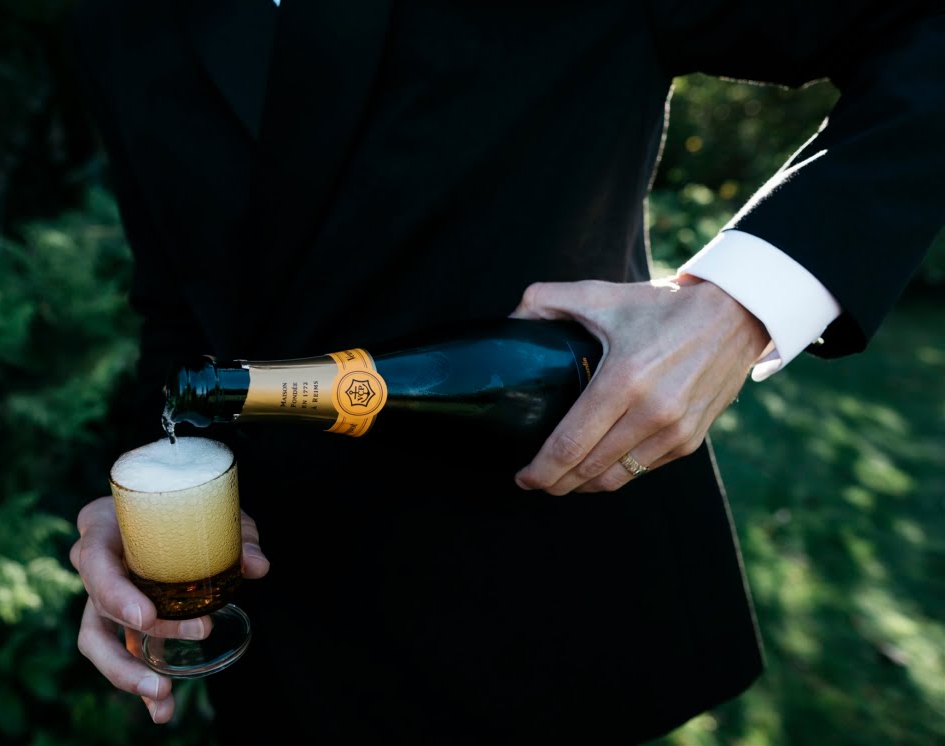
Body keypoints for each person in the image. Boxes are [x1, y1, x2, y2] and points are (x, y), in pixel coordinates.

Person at [63, 1, 945, 743]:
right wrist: (140, 504)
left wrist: (738, 307)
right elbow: (181, 310)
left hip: (549, 613)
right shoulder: (112, 21)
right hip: (283, 645)